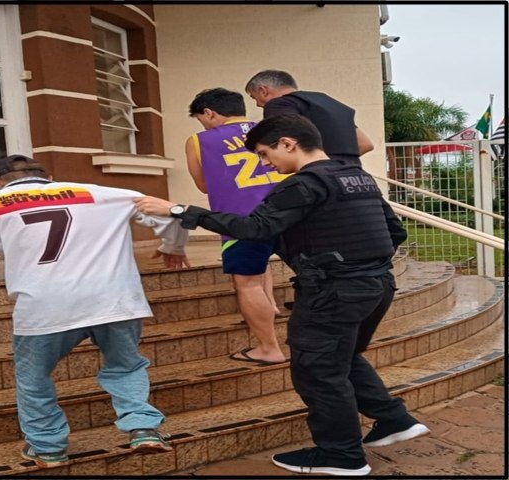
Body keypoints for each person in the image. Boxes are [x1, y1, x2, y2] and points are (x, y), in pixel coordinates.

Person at [134, 115, 430, 476]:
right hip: (377, 285)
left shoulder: (303, 184)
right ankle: (393, 419)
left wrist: (179, 211)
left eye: (264, 153)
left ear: (288, 143)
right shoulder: (356, 176)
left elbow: (254, 228)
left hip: (333, 292)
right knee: (343, 357)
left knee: (317, 371)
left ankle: (342, 456)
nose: (264, 163)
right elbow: (395, 232)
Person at [0, 154, 190, 468]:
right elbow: (171, 214)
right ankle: (143, 428)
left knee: (34, 379)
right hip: (116, 301)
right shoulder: (101, 193)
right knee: (126, 366)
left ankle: (48, 447)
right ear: (49, 177)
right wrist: (173, 247)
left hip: (45, 307)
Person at [186, 87, 289, 364]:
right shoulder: (275, 130)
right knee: (275, 268)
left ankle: (268, 348)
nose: (203, 124)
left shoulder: (199, 141)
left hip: (241, 220)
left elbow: (204, 185)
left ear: (209, 113)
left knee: (248, 283)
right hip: (288, 212)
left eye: (201, 118)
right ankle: (272, 306)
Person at [245, 69, 374, 165]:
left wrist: (320, 168)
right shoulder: (328, 102)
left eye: (254, 97)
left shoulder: (279, 104)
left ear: (263, 90)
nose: (257, 105)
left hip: (320, 182)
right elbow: (365, 144)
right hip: (357, 178)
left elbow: (285, 147)